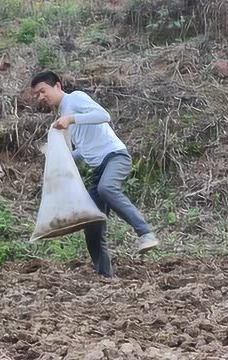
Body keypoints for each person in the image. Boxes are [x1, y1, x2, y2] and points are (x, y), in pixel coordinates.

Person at [31, 70, 159, 277]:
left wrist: (72, 119)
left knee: (107, 188)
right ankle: (105, 276)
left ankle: (145, 233)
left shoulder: (75, 99)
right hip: (100, 168)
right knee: (92, 225)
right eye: (37, 95)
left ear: (57, 86)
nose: (41, 97)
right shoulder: (63, 117)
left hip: (116, 157)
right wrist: (60, 156)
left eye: (43, 91)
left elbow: (104, 116)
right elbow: (85, 149)